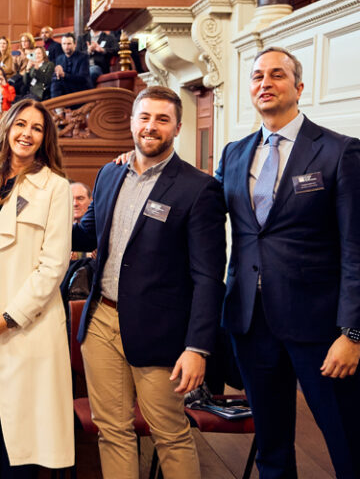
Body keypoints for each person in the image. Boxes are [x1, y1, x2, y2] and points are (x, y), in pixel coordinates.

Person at [215, 47, 360, 479]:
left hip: (320, 330)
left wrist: (352, 332)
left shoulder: (340, 152)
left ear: (298, 87)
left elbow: (356, 247)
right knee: (272, 449)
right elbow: (202, 210)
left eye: (276, 75)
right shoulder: (234, 153)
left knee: (347, 443)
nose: (265, 82)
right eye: (257, 76)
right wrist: (140, 163)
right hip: (251, 325)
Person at [72, 86, 226, 479]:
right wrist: (37, 218)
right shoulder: (110, 173)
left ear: (177, 127)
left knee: (169, 434)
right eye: (144, 117)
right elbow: (88, 234)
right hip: (102, 322)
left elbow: (209, 277)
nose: (151, 126)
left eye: (162, 119)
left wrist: (197, 348)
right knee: (112, 432)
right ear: (131, 122)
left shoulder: (199, 188)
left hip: (161, 332)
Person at [0, 98, 75, 478]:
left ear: (45, 139)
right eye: (21, 124)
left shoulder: (55, 188)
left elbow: (53, 265)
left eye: (37, 128)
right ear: (7, 128)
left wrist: (8, 318)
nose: (26, 133)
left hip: (26, 329)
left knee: (21, 443)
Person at [50, 33, 91, 99]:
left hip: (80, 89)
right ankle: (56, 106)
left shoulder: (83, 57)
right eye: (64, 44)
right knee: (55, 80)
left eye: (69, 44)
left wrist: (64, 75)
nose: (66, 47)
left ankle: (56, 106)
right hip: (66, 89)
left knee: (57, 83)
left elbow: (83, 79)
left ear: (75, 44)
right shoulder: (59, 59)